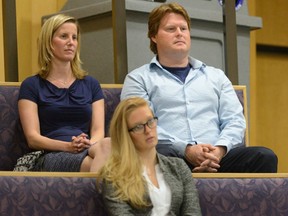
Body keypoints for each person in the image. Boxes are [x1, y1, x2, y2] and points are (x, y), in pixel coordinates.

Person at [120, 3, 278, 173]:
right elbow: (142, 126)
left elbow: (235, 121)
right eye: (171, 29)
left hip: (218, 158)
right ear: (154, 37)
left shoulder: (216, 76)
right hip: (170, 156)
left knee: (265, 156)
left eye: (184, 28)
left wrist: (219, 150)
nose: (179, 33)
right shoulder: (138, 78)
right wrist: (186, 149)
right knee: (158, 155)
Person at [16, 14, 106, 172]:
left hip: (88, 148)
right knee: (100, 167)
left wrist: (87, 144)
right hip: (51, 154)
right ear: (49, 42)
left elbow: (98, 131)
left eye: (74, 37)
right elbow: (33, 138)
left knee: (108, 145)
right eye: (64, 36)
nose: (71, 43)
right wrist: (68, 146)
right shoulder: (31, 85)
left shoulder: (91, 84)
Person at [96, 97, 202, 215]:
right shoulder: (114, 175)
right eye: (138, 127)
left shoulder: (178, 167)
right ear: (126, 135)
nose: (148, 130)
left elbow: (193, 212)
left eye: (150, 121)